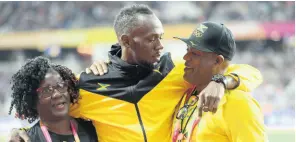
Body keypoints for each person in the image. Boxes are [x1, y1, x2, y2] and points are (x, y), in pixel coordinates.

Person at [10, 4, 262, 142]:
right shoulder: (88, 84)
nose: (160, 45)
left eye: (161, 38)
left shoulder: (174, 70)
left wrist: (222, 81)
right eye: (152, 39)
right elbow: (49, 111)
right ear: (126, 41)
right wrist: (20, 133)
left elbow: (250, 72)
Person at [172, 22, 267, 141]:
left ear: (217, 61)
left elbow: (253, 73)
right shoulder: (189, 94)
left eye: (195, 54)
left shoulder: (238, 103)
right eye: (187, 50)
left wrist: (221, 81)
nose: (185, 57)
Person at [9, 56, 98, 142]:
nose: (57, 94)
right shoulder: (28, 139)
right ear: (32, 101)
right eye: (47, 90)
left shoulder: (93, 129)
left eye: (60, 85)